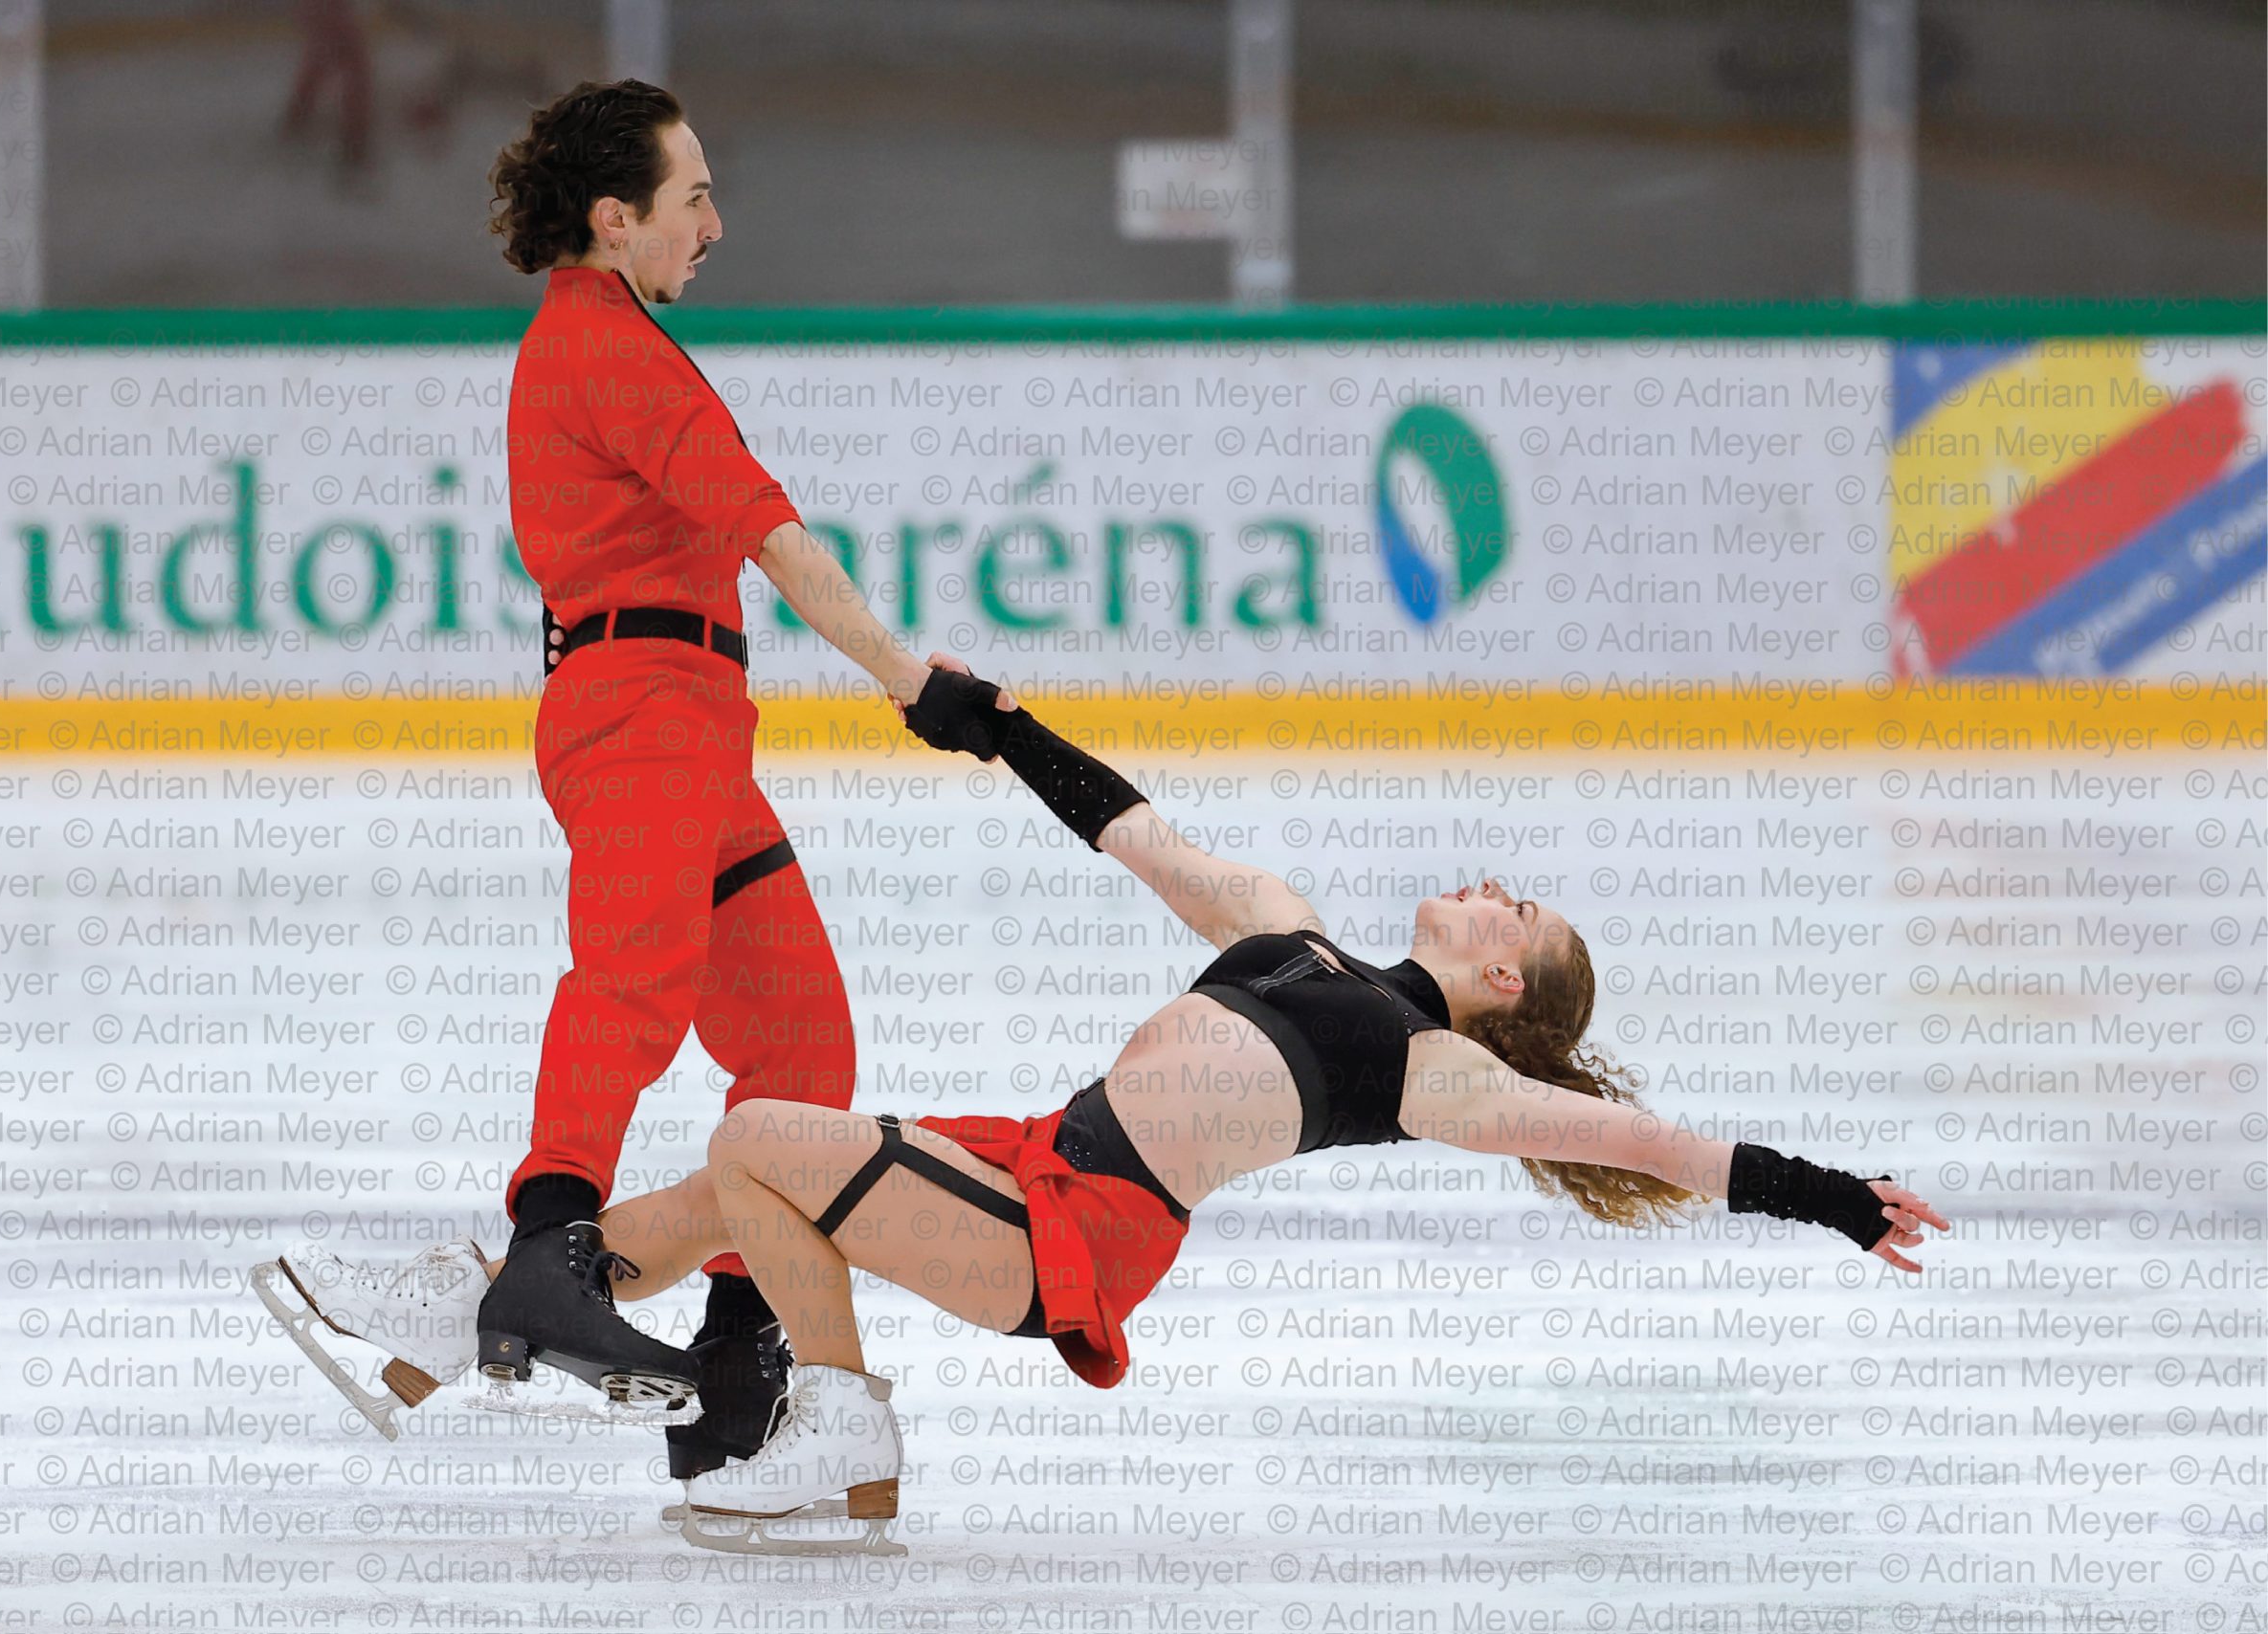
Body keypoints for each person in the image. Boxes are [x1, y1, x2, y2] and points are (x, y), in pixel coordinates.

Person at [267, 659, 1951, 1556]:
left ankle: (843, 1420)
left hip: (1076, 1236)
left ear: (1510, 989)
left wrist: (1841, 1198)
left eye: (1524, 915)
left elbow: (1662, 1150)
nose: (1497, 890)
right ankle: (445, 1321)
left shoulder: (1431, 1071)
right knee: (736, 1191)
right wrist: (999, 728)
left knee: (764, 1130)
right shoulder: (1290, 930)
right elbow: (1135, 829)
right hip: (1031, 1160)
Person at [253, 79, 1014, 1475]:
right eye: (694, 198)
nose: (717, 224)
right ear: (615, 220)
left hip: (690, 717)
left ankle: (734, 1354)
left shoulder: (608, 341)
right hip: (643, 705)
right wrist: (920, 683)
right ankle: (550, 1246)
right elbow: (779, 543)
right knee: (638, 976)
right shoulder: (607, 350)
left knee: (800, 1051)